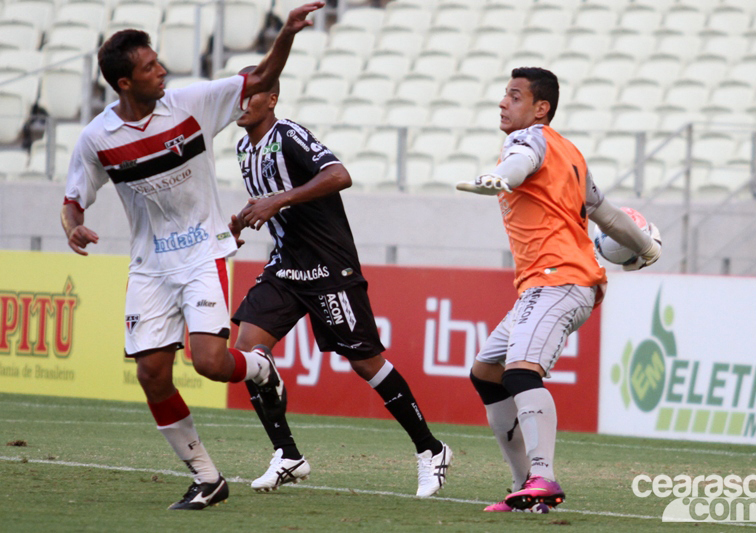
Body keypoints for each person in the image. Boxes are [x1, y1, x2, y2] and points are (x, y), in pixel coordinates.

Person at [59, 2, 324, 511]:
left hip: (203, 252)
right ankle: (207, 477)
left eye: (160, 62)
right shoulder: (98, 138)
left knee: (209, 362)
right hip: (150, 267)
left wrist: (287, 32)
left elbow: (262, 75)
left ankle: (259, 369)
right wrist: (73, 227)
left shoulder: (192, 103)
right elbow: (73, 200)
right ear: (124, 84)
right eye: (150, 67)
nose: (162, 71)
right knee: (151, 374)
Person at [227, 70, 452, 498]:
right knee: (246, 352)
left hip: (328, 268)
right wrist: (241, 220)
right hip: (286, 268)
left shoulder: (288, 134)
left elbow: (339, 175)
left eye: (251, 95)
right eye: (238, 95)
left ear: (271, 99)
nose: (242, 103)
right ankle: (287, 454)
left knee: (366, 362)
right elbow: (268, 196)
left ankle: (431, 449)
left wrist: (280, 199)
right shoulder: (243, 147)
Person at [456, 67, 662, 512]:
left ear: (540, 108)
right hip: (545, 284)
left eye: (513, 96)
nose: (502, 103)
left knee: (520, 372)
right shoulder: (569, 153)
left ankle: (543, 479)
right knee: (486, 373)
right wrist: (646, 247)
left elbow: (520, 162)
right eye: (504, 95)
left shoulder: (528, 141)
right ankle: (524, 488)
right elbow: (605, 214)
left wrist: (502, 177)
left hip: (561, 279)